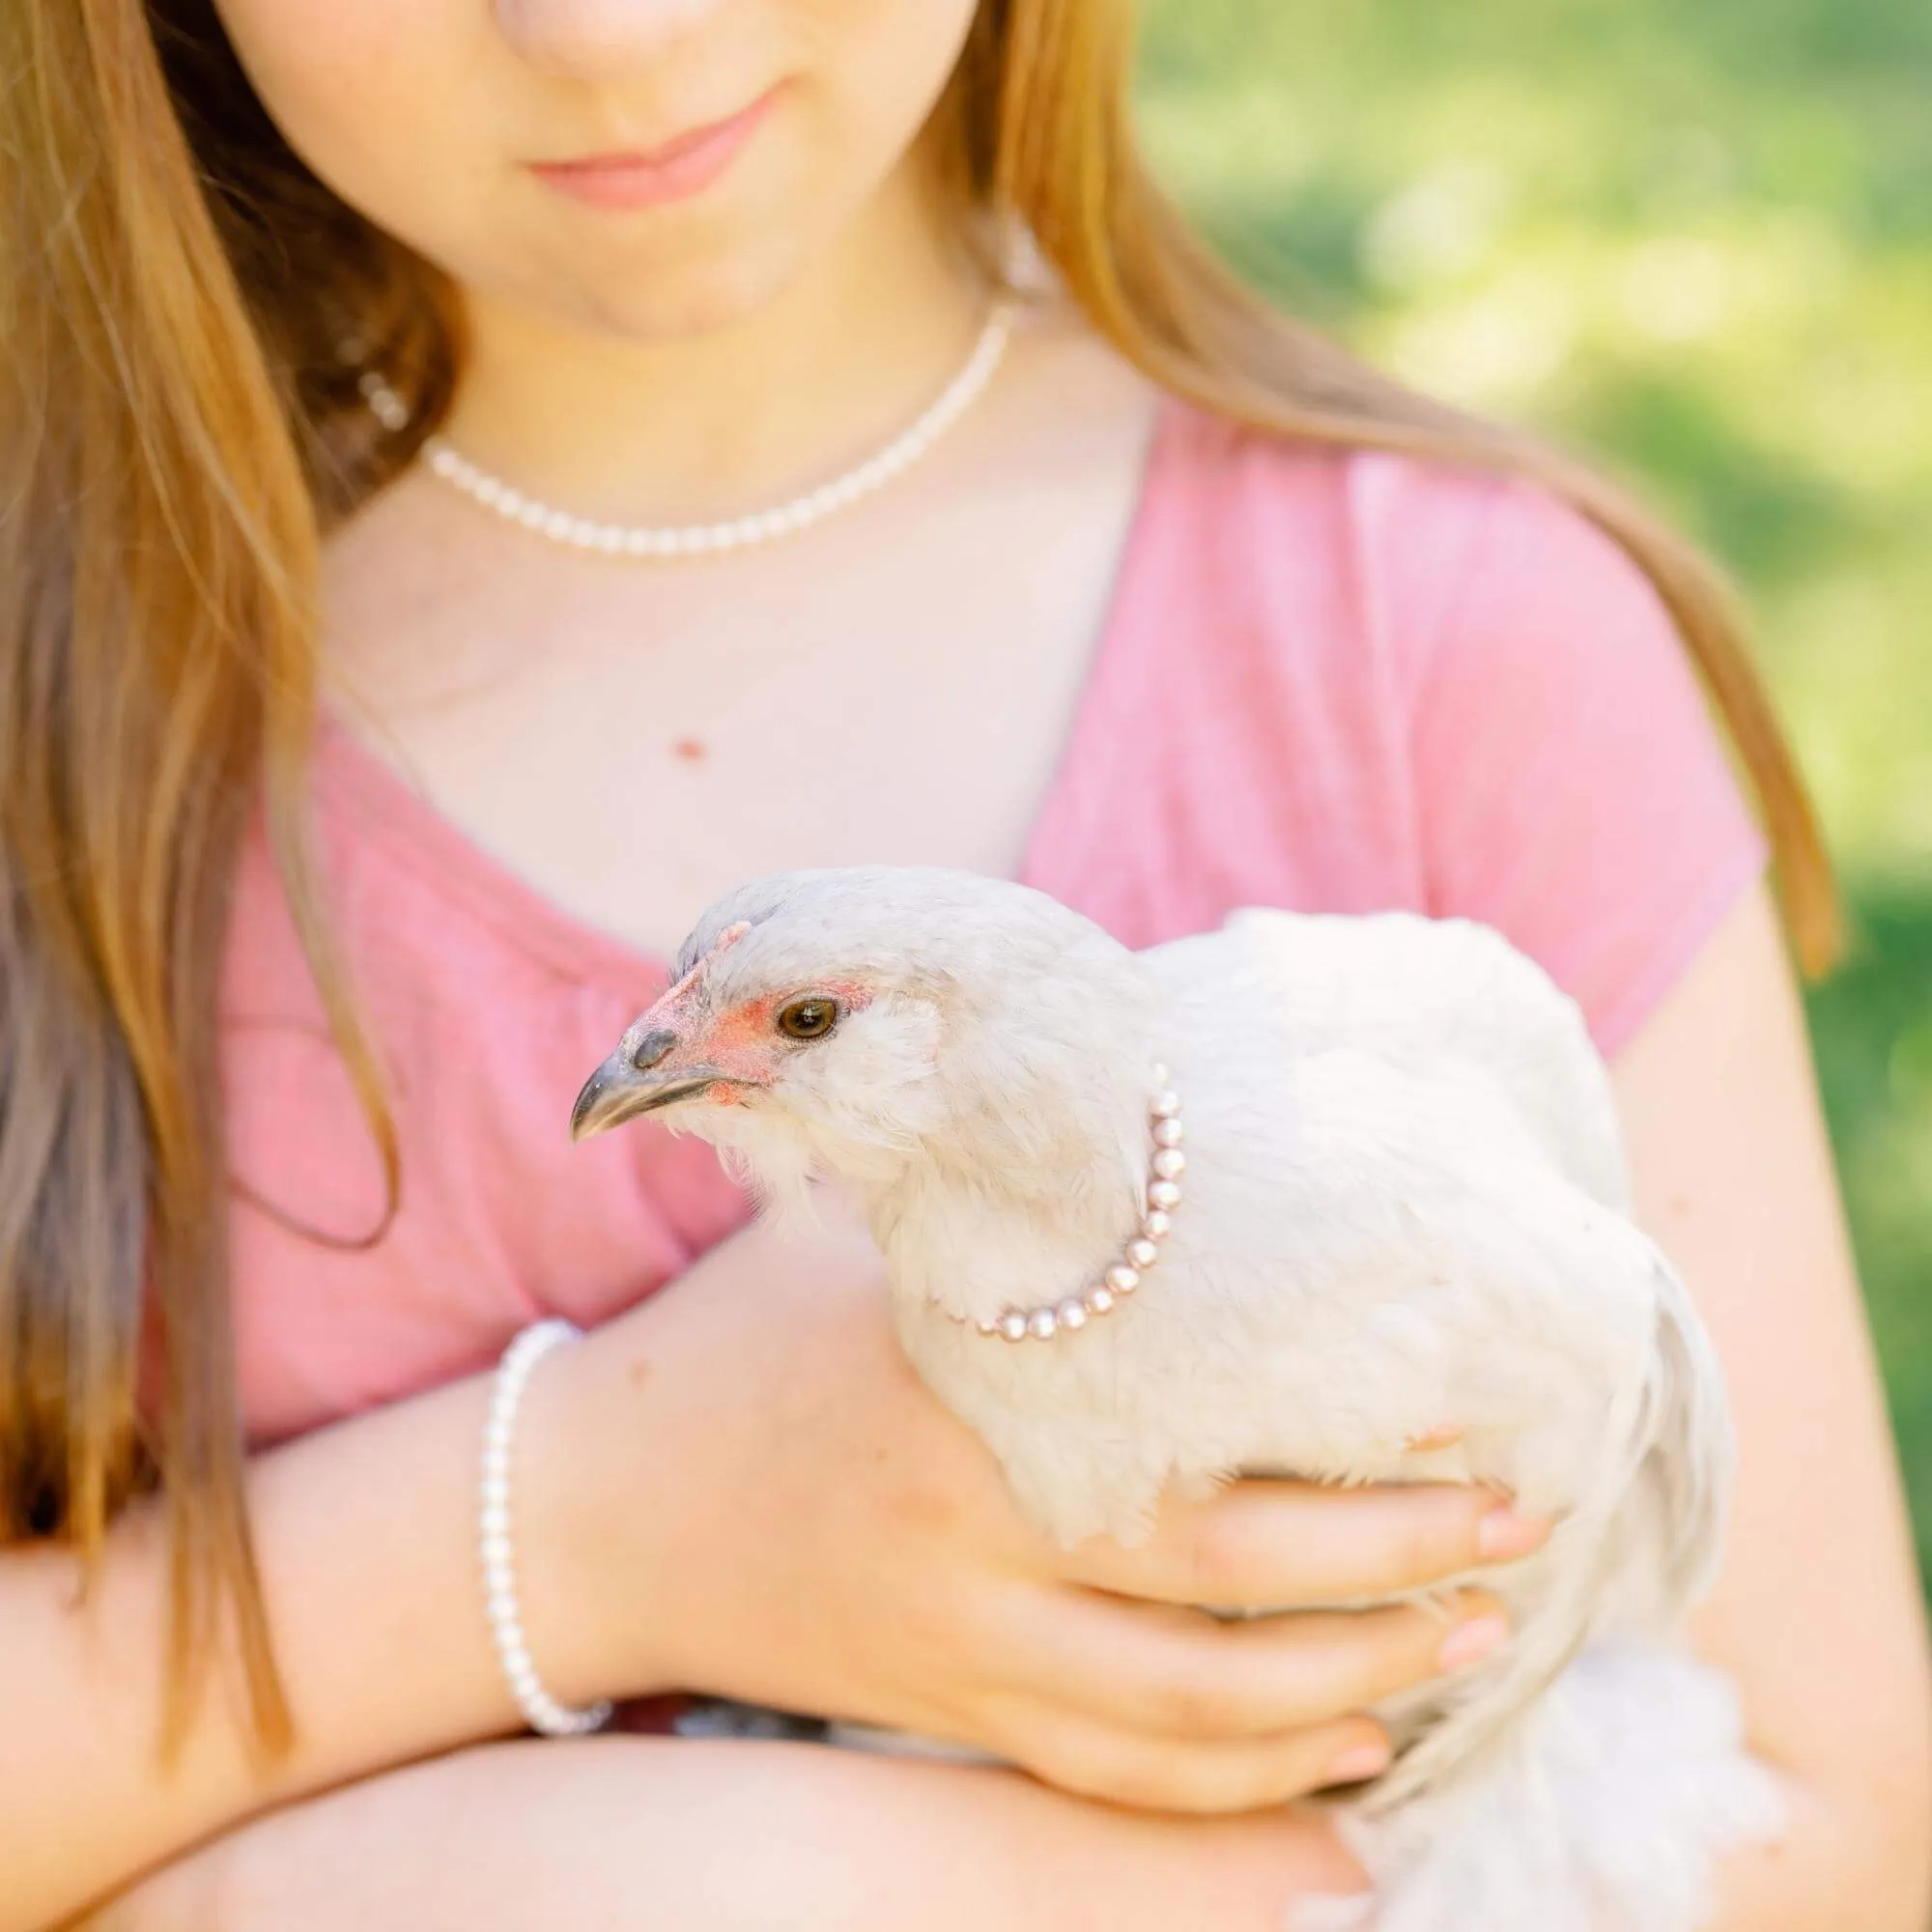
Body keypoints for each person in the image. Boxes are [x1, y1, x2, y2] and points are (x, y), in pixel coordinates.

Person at [3, 2, 1926, 1927]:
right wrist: (572, 1523)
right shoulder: (50, 725)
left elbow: (1824, 1840)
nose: (612, 30)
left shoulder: (1452, 652)